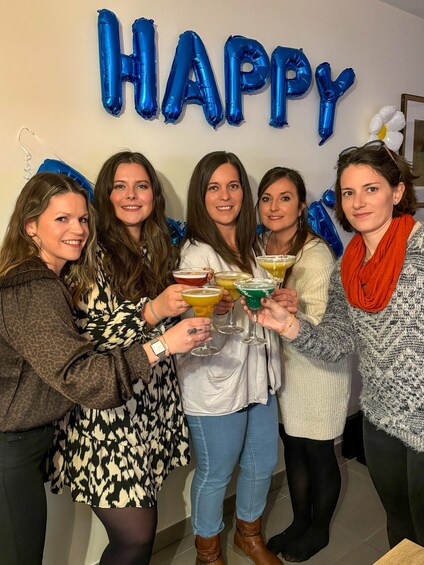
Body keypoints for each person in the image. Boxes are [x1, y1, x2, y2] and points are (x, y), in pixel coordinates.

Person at [0, 172, 206, 565]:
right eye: (62, 219)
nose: (77, 229)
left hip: (29, 441)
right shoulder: (33, 289)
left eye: (82, 219)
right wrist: (162, 342)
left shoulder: (51, 278)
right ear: (30, 226)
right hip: (12, 446)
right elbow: (84, 375)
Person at [243, 140, 424, 551]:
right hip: (380, 419)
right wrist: (288, 325)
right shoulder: (349, 267)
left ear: (397, 192)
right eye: (348, 192)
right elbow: (337, 343)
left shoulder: (419, 250)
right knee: (401, 529)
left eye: (371, 189)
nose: (358, 202)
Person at [177, 151, 296, 565]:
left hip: (258, 376)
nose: (225, 196)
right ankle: (208, 554)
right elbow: (185, 320)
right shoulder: (195, 255)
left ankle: (249, 535)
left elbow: (262, 308)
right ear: (201, 195)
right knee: (217, 472)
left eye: (233, 186)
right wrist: (210, 311)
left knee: (263, 462)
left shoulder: (255, 246)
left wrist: (282, 301)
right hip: (215, 380)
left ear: (244, 192)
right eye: (214, 187)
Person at [256, 167, 351, 561]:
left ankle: (319, 530)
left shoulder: (315, 254)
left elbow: (326, 326)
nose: (274, 207)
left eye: (285, 198)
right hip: (284, 367)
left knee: (318, 452)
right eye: (266, 198)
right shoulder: (260, 246)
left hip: (318, 371)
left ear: (301, 207)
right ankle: (299, 522)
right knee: (293, 447)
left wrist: (295, 309)